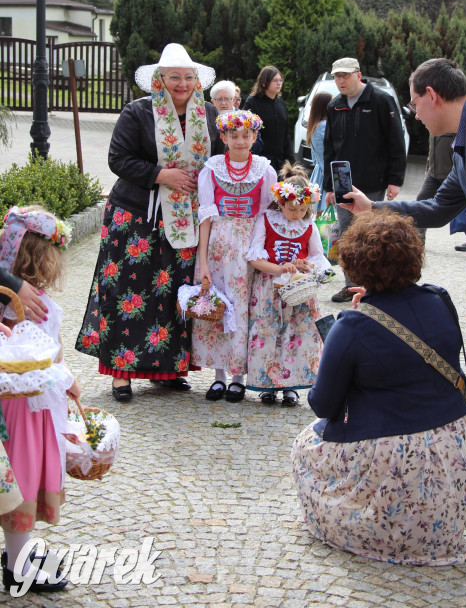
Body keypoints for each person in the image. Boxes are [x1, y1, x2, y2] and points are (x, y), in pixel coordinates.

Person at [339, 57, 466, 536]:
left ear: (432, 95)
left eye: (414, 103)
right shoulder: (462, 141)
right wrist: (374, 208)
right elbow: (436, 209)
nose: (414, 113)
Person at [292, 209, 466, 565]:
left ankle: (365, 527)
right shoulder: (440, 300)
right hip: (454, 442)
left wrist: (339, 343)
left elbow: (324, 405)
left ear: (354, 267)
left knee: (305, 445)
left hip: (393, 454)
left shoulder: (351, 325)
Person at [76, 43, 223, 403]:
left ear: (196, 80)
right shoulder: (138, 112)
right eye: (174, 77)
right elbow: (118, 158)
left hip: (186, 217)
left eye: (187, 77)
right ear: (160, 79)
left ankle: (168, 370)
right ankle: (121, 373)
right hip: (135, 217)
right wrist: (161, 175)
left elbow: (218, 159)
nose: (182, 84)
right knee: (127, 291)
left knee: (174, 292)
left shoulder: (207, 113)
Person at [0, 206, 81, 593]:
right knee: (22, 479)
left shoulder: (8, 303)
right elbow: (51, 356)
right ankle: (17, 565)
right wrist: (71, 381)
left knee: (14, 480)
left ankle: (17, 553)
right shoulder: (33, 305)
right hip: (27, 410)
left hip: (16, 407)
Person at [192, 110, 276, 402]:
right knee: (219, 305)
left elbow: (266, 215)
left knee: (243, 309)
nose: (240, 141)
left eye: (246, 135)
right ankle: (219, 375)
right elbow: (205, 217)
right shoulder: (212, 169)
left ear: (254, 137)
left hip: (250, 244)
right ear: (224, 137)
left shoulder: (264, 170)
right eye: (234, 135)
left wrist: (262, 250)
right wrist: (203, 261)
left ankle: (239, 376)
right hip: (219, 244)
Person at [323, 57, 406, 302]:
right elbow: (329, 147)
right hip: (342, 181)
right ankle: (351, 286)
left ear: (358, 75)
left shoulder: (381, 100)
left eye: (345, 75)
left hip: (372, 180)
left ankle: (375, 285)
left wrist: (395, 179)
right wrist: (329, 185)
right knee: (347, 236)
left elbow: (396, 141)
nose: (340, 80)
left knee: (372, 234)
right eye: (337, 76)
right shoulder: (334, 105)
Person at [246, 163, 330, 406]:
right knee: (267, 332)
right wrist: (279, 269)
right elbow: (254, 258)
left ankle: (291, 385)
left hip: (297, 290)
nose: (297, 214)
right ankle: (267, 385)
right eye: (292, 208)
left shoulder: (308, 225)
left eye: (302, 209)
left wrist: (306, 266)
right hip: (269, 287)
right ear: (280, 203)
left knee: (297, 333)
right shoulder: (266, 220)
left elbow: (317, 258)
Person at [244, 66, 294, 174]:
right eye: (275, 80)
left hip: (280, 161)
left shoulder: (280, 102)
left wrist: (290, 159)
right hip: (260, 160)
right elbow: (246, 131)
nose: (279, 83)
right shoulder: (252, 102)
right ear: (263, 83)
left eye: (280, 80)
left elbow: (285, 133)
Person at [416, 133, 455, 240]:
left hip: (451, 175)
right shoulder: (433, 128)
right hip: (433, 175)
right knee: (421, 200)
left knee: (462, 208)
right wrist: (427, 167)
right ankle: (419, 238)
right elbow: (431, 150)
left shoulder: (454, 128)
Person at [306, 91, 332, 213]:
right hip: (326, 173)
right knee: (327, 213)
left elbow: (314, 157)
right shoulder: (324, 126)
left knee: (319, 213)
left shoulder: (315, 125)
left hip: (318, 173)